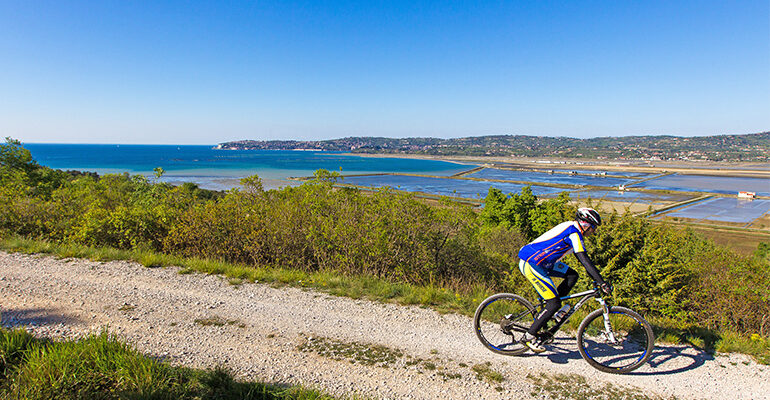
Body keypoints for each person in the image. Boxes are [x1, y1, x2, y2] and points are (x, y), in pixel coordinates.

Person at [516, 207, 612, 353]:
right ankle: (528, 337)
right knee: (553, 303)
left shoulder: (571, 227)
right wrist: (601, 282)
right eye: (593, 228)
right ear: (585, 224)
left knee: (572, 275)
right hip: (531, 263)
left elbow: (582, 260)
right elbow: (584, 260)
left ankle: (552, 311)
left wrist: (597, 278)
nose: (593, 231)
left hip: (544, 262)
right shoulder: (574, 233)